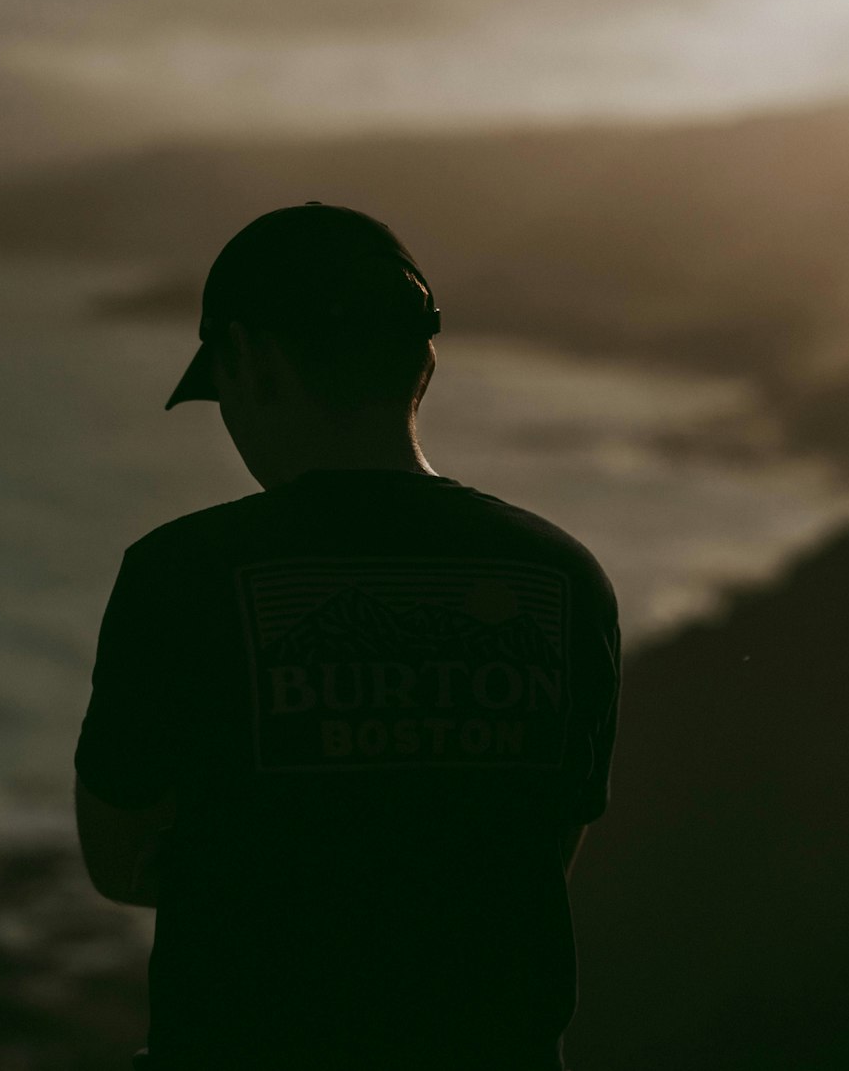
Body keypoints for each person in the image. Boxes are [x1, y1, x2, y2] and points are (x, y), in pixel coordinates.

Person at [73, 202, 621, 1071]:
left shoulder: (179, 576)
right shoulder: (565, 580)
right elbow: (536, 853)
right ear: (424, 365)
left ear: (250, 358)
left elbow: (119, 858)